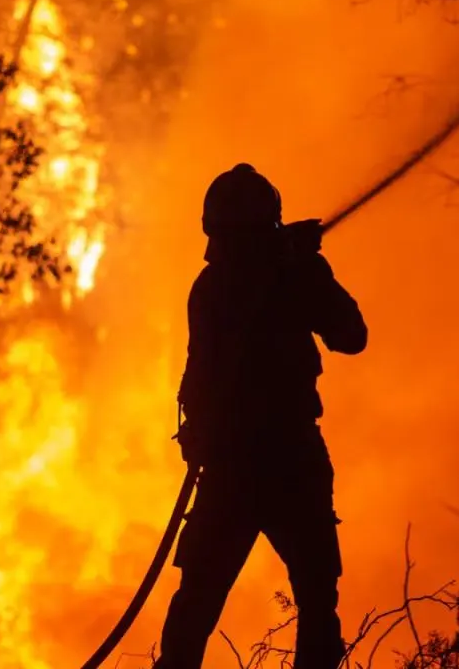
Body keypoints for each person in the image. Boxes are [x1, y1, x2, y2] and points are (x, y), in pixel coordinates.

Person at [155, 163, 368, 669]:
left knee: (199, 602)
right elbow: (350, 336)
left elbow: (350, 336)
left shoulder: (215, 286)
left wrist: (301, 268)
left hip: (242, 467)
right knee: (311, 597)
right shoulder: (260, 280)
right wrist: (304, 269)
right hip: (282, 463)